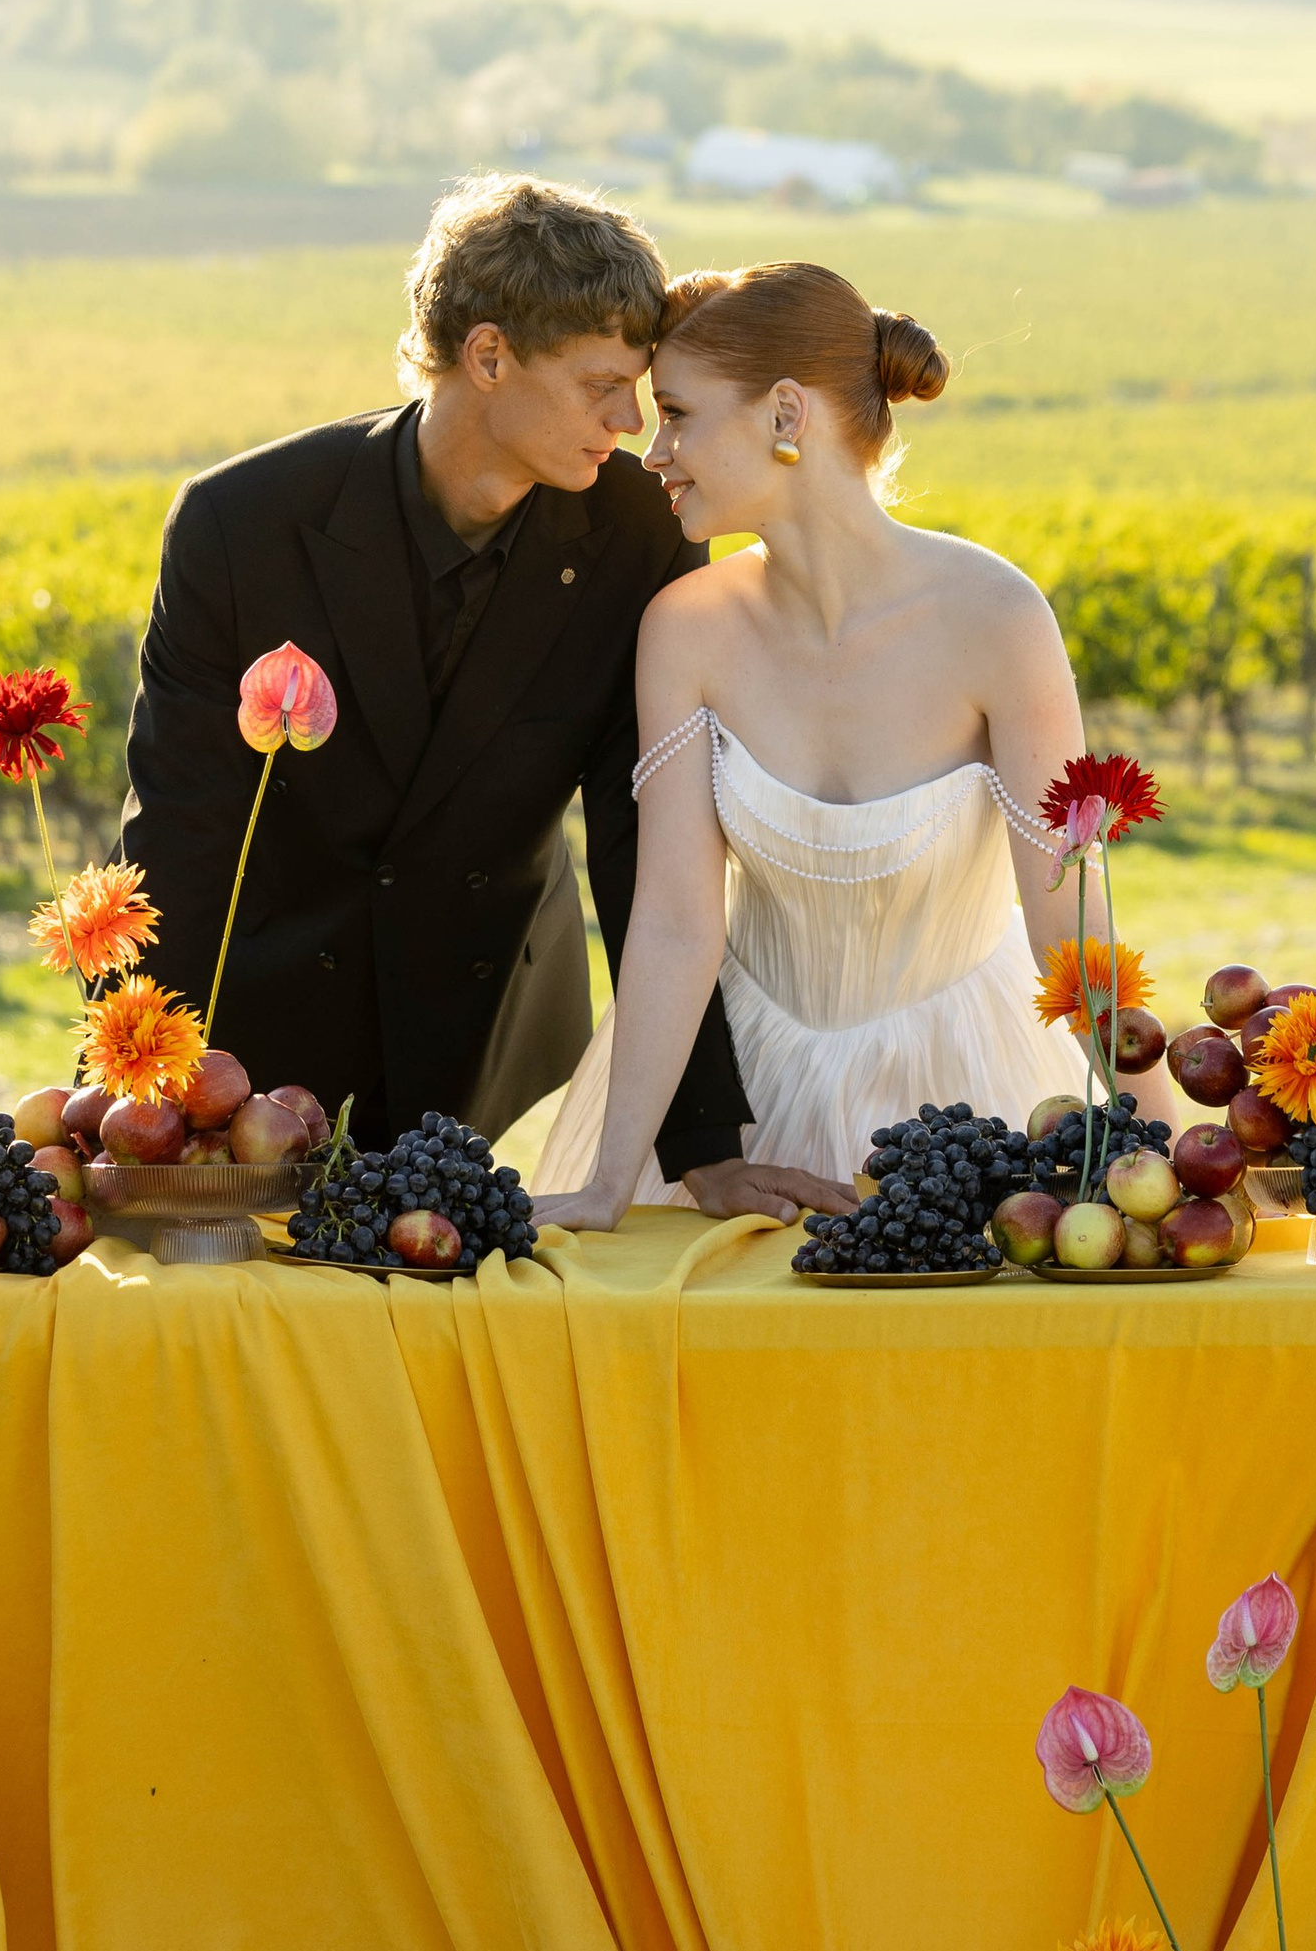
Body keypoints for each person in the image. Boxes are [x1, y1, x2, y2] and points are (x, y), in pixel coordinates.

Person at [118, 176, 853, 1218]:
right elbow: (182, 829)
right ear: (491, 355)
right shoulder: (241, 525)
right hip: (263, 1025)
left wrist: (703, 1144)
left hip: (486, 1008)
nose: (633, 422)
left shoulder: (642, 532)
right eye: (602, 383)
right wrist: (145, 1087)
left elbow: (646, 832)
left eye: (638, 385)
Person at [533, 260, 1141, 1225]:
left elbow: (1068, 918)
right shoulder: (684, 631)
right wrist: (609, 1185)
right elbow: (677, 925)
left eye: (680, 414)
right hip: (751, 1110)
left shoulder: (997, 618)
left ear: (785, 414)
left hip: (972, 1096)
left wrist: (1165, 1141)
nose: (654, 451)